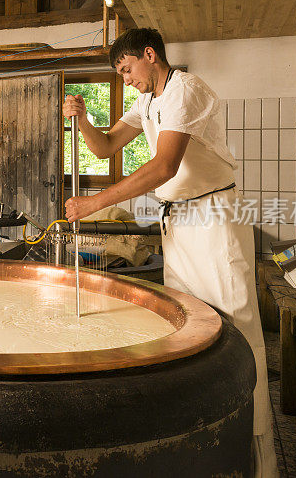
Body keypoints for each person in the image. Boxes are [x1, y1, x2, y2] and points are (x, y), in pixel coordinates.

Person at [63, 28, 277, 477]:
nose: (126, 80)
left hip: (214, 219)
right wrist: (81, 120)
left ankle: (256, 457)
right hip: (179, 222)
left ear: (149, 55)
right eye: (118, 75)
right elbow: (103, 148)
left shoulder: (186, 90)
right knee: (191, 327)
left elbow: (165, 165)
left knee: (237, 329)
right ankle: (206, 437)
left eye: (127, 69)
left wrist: (93, 204)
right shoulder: (147, 102)